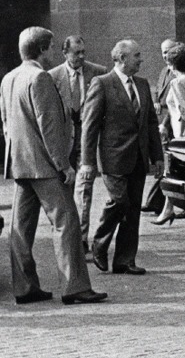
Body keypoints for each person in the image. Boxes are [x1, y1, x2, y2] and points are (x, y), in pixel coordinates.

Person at [0, 26, 107, 305]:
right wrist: (63, 165)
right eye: (50, 47)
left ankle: (25, 287)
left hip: (20, 164)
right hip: (44, 166)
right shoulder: (40, 77)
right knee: (66, 222)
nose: (52, 52)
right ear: (42, 49)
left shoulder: (9, 78)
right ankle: (74, 287)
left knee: (20, 229)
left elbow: (6, 123)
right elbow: (48, 127)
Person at [80, 39, 163, 275]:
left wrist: (157, 157)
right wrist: (87, 162)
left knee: (133, 209)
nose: (141, 60)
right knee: (119, 201)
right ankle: (99, 242)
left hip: (139, 157)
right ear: (122, 58)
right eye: (137, 55)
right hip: (113, 158)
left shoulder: (142, 84)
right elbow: (89, 126)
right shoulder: (102, 83)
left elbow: (151, 123)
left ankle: (124, 260)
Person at [49, 35, 107, 252]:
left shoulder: (98, 72)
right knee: (65, 190)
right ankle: (67, 235)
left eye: (84, 52)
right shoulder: (52, 77)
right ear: (65, 53)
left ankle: (80, 239)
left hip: (87, 141)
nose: (82, 56)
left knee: (84, 189)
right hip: (64, 142)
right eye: (76, 53)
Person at [152, 44, 185, 226]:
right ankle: (179, 209)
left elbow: (183, 111)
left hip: (184, 134)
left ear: (172, 64)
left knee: (173, 172)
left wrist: (179, 140)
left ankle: (169, 210)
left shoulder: (177, 83)